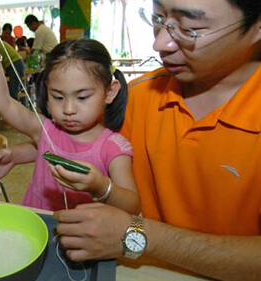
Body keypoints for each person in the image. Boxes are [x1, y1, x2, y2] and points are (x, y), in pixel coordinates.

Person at [53, 0, 261, 280]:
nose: (160, 43)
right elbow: (76, 139)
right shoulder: (136, 99)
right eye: (158, 19)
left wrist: (138, 235)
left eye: (190, 29)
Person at [0, 2, 140, 214]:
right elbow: (1, 102)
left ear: (110, 92)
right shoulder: (45, 130)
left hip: (88, 242)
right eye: (58, 97)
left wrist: (101, 187)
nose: (68, 109)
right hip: (38, 229)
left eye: (83, 97)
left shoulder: (113, 148)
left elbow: (132, 206)